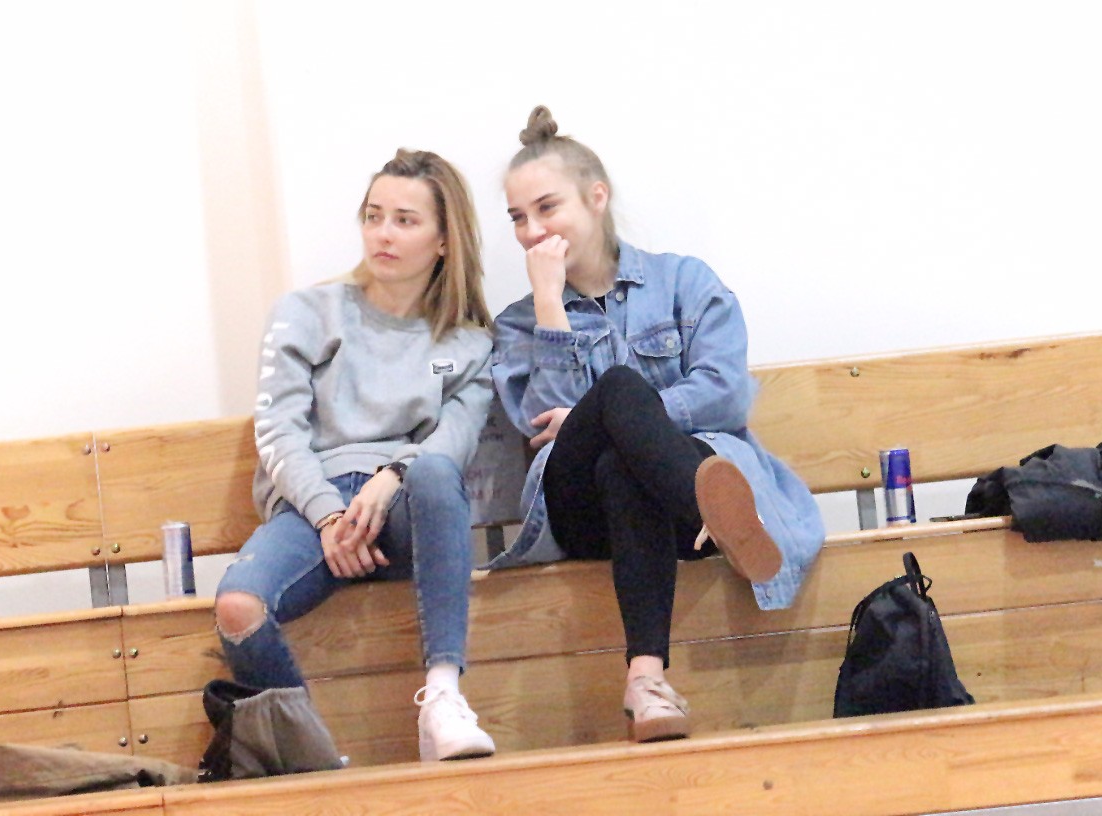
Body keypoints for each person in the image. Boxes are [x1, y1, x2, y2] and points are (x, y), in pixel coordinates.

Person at [487, 106, 826, 743]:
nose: (532, 232)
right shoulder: (519, 322)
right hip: (579, 514)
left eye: (547, 208)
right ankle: (714, 512)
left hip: (652, 510)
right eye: (517, 218)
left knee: (625, 461)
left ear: (596, 197)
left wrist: (626, 424)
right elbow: (542, 426)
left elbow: (726, 393)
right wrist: (550, 304)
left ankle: (646, 682)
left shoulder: (684, 282)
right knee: (619, 391)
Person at [213, 148, 497, 769]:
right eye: (374, 216)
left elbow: (452, 443)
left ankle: (443, 698)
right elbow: (278, 430)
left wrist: (391, 476)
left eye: (405, 220)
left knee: (433, 470)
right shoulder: (306, 312)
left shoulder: (471, 344)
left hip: (410, 509)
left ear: (444, 240)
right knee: (237, 606)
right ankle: (316, 764)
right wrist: (326, 515)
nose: (383, 234)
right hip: (315, 507)